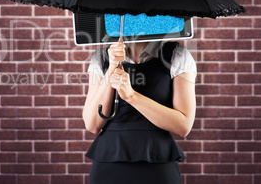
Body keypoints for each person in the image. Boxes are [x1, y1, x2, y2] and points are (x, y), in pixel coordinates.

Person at [83, 40, 196, 184]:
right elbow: (92, 124)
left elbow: (183, 125)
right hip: (109, 164)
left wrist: (132, 96)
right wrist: (111, 67)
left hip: (158, 163)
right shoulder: (101, 57)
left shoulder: (177, 55)